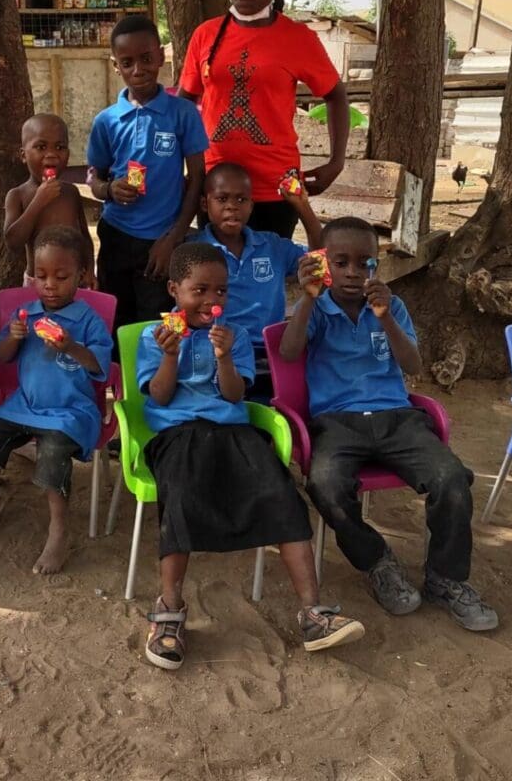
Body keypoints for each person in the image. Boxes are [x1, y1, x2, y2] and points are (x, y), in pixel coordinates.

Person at [135, 243, 363, 669]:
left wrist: (224, 357)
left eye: (220, 292)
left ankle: (313, 613)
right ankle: (168, 612)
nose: (211, 301)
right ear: (174, 289)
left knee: (281, 494)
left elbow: (234, 393)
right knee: (180, 499)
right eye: (199, 290)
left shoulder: (234, 336)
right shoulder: (156, 335)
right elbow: (161, 398)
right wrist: (171, 354)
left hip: (233, 428)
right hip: (177, 433)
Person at [280, 217, 498, 631]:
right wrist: (308, 299)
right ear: (323, 263)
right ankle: (377, 562)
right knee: (325, 485)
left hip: (398, 419)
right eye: (340, 262)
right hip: (336, 422)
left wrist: (385, 318)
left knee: (451, 478)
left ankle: (446, 579)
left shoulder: (391, 307)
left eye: (364, 263)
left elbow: (413, 364)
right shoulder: (316, 308)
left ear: (376, 267)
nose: (352, 273)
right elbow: (289, 352)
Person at [177, 0, 350, 239]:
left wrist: (336, 162)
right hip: (215, 185)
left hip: (276, 188)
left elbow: (336, 95)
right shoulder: (206, 34)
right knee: (216, 276)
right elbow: (183, 102)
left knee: (268, 277)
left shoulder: (298, 39)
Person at [0, 225, 112, 575]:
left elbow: (100, 367)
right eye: (41, 276)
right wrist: (14, 338)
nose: (49, 284)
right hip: (25, 404)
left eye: (61, 276)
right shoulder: (27, 314)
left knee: (51, 455)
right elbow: (1, 357)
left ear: (79, 276)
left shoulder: (88, 320)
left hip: (70, 412)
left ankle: (59, 528)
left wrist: (72, 347)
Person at [87, 14, 208, 329]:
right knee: (116, 321)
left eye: (146, 59)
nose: (138, 69)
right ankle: (121, 379)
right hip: (116, 236)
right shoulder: (106, 121)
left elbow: (197, 178)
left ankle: (153, 380)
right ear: (116, 66)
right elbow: (93, 177)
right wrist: (109, 189)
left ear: (161, 57)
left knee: (156, 325)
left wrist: (174, 237)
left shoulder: (182, 114)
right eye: (127, 63)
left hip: (161, 241)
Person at [197, 161, 321, 402]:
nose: (232, 207)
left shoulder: (272, 245)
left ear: (251, 206)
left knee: (288, 409)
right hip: (220, 353)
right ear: (205, 204)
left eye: (241, 200)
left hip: (272, 352)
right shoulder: (196, 252)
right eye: (222, 199)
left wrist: (302, 207)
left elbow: (319, 259)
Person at [4, 113, 95, 288]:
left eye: (60, 147)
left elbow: (84, 236)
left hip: (73, 282)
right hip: (37, 284)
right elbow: (13, 243)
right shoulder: (18, 195)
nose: (52, 155)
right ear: (23, 155)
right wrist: (38, 201)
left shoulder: (70, 192)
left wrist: (90, 269)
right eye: (41, 147)